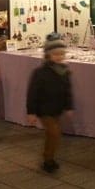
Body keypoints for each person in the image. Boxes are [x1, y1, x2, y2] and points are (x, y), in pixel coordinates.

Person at [26, 33, 74, 173]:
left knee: (52, 134)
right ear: (48, 55)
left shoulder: (65, 71)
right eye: (56, 54)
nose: (59, 56)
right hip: (44, 109)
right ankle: (48, 160)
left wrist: (69, 106)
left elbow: (67, 90)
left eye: (61, 54)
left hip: (57, 108)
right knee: (54, 133)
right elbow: (32, 93)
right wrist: (31, 112)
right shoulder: (40, 72)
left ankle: (49, 157)